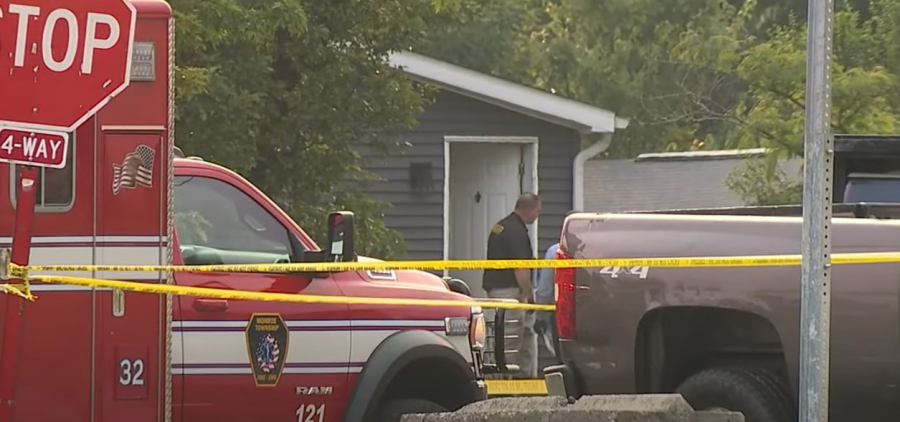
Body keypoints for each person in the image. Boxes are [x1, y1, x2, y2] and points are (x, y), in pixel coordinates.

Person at [482, 193, 542, 378]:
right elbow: (520, 267)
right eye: (537, 211)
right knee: (509, 341)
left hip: (500, 290)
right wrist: (527, 294)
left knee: (524, 337)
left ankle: (524, 382)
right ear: (529, 209)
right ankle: (504, 384)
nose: (538, 215)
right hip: (511, 292)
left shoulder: (501, 227)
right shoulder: (516, 232)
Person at [533, 210, 579, 362]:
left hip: (563, 313)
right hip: (591, 312)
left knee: (563, 359)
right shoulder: (598, 251)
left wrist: (541, 316)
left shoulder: (555, 252)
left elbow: (545, 288)